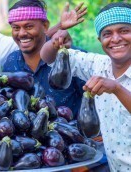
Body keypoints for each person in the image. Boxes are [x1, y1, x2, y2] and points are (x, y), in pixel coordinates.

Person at [40, 2, 131, 171]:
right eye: (107, 34)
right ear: (100, 40)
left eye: (124, 31)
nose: (116, 38)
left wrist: (117, 89)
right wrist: (57, 38)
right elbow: (46, 57)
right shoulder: (97, 65)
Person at [2, 0, 86, 116]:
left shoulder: (73, 58)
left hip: (71, 132)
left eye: (29, 26)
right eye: (16, 28)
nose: (21, 33)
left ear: (45, 26)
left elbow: (96, 101)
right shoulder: (11, 62)